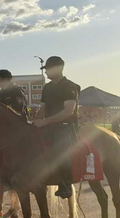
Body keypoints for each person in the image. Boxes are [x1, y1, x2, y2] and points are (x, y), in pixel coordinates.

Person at [33, 56, 81, 199]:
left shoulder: (70, 87)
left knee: (60, 150)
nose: (46, 72)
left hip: (66, 126)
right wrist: (35, 120)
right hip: (48, 126)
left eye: (48, 69)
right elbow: (42, 108)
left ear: (59, 68)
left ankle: (65, 184)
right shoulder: (47, 88)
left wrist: (45, 121)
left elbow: (68, 111)